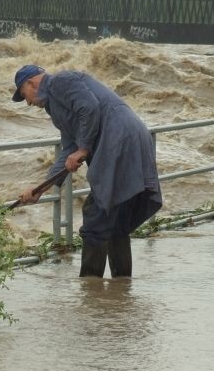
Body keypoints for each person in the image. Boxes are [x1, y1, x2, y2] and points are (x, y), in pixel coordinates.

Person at [11, 64, 162, 278]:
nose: (27, 102)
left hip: (118, 140)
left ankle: (91, 289)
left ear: (31, 82)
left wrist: (83, 149)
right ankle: (121, 286)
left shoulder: (60, 81)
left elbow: (89, 108)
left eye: (23, 94)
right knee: (116, 219)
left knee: (95, 216)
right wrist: (41, 189)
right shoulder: (55, 107)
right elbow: (69, 150)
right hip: (133, 138)